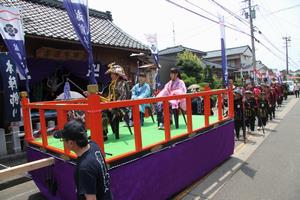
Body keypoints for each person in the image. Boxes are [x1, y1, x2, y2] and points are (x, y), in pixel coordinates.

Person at [54, 120, 112, 200]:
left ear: (70, 143)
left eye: (63, 140)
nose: (63, 142)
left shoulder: (84, 168)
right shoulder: (94, 145)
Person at [104, 62, 131, 140]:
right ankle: (103, 132)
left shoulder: (124, 84)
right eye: (111, 74)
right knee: (100, 110)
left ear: (118, 75)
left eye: (113, 74)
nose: (111, 75)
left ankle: (103, 134)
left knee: (104, 111)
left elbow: (124, 97)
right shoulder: (111, 84)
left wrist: (113, 106)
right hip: (111, 105)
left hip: (121, 107)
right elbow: (105, 94)